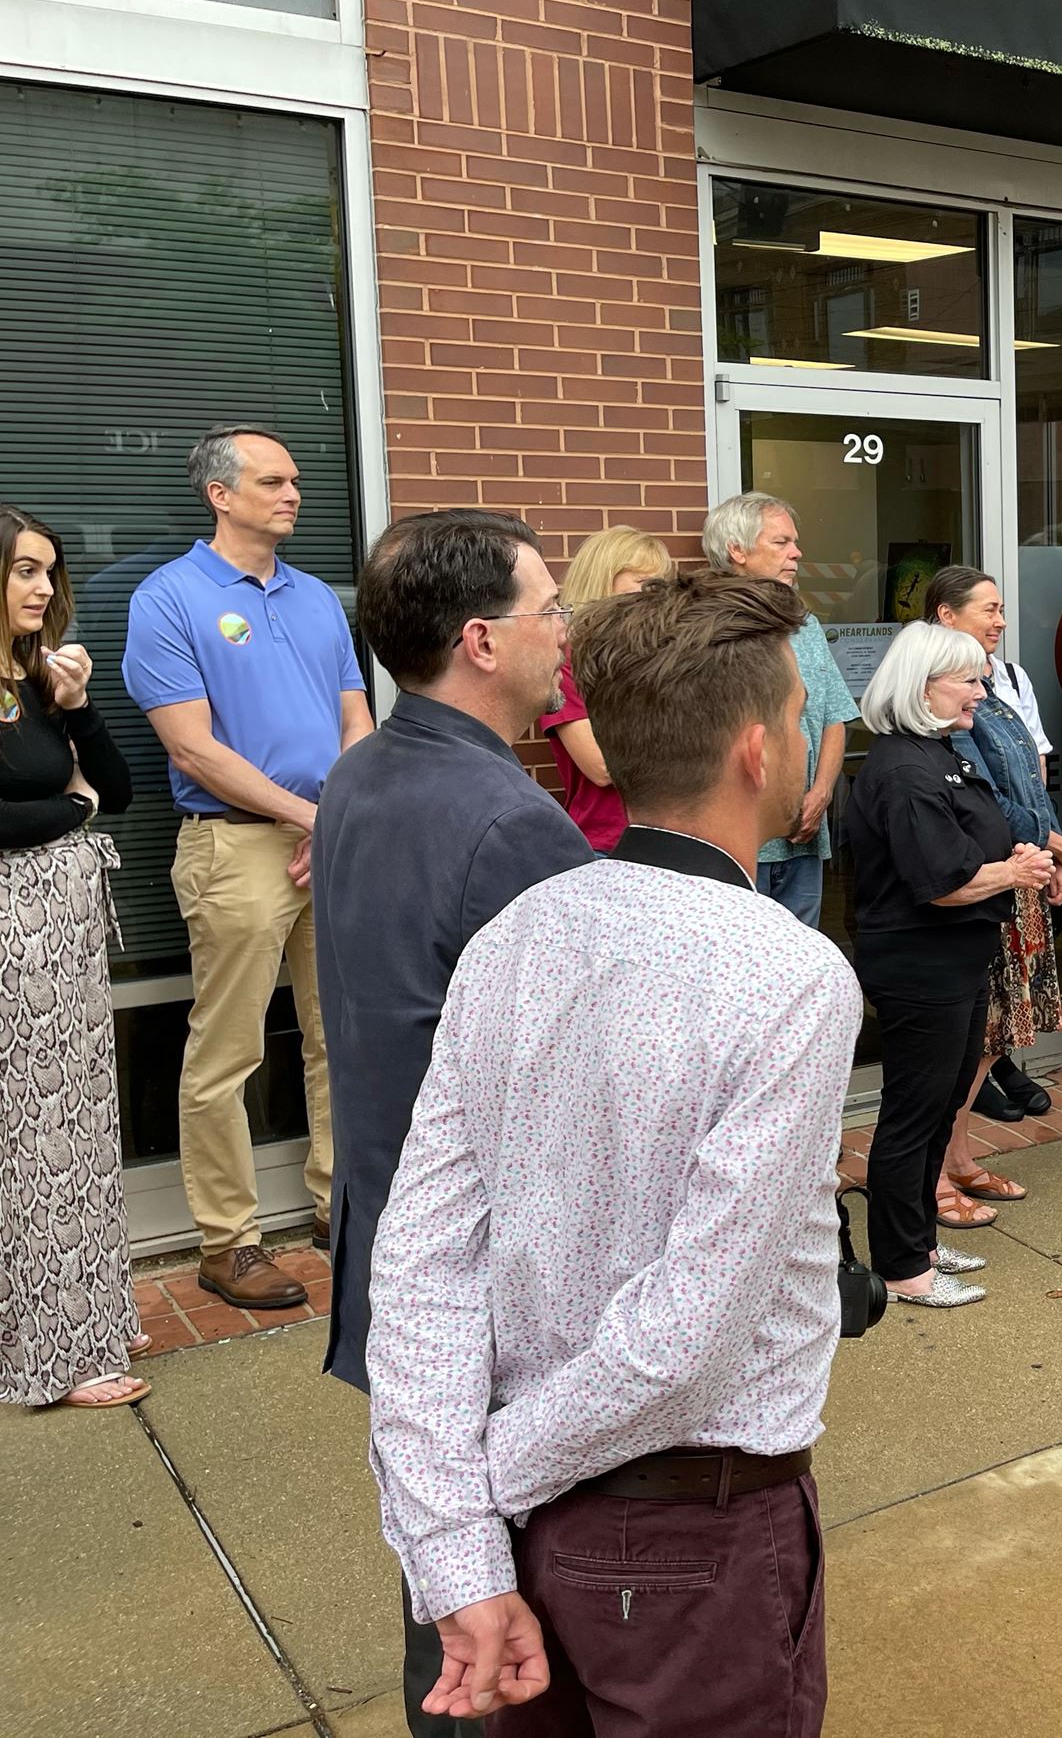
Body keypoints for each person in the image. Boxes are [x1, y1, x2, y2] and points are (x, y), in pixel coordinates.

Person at [368, 568, 863, 1729]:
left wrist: (458, 1532)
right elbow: (683, 1342)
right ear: (756, 751)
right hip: (694, 1539)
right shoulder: (791, 977)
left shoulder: (513, 936)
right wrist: (480, 1493)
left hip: (524, 1523)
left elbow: (421, 1262)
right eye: (798, 716)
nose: (802, 739)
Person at [311, 510, 596, 1738]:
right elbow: (582, 1089)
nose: (564, 632)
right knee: (504, 1619)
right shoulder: (508, 823)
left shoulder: (362, 772)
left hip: (390, 1234)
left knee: (442, 1570)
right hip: (482, 1268)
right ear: (481, 640)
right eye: (550, 609)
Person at [123, 424, 372, 1312]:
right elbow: (192, 749)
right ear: (220, 495)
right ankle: (227, 1242)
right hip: (233, 847)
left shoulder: (315, 598)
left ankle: (339, 1204)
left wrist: (336, 813)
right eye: (272, 480)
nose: (293, 493)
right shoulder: (168, 598)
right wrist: (309, 816)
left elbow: (354, 716)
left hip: (325, 839)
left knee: (339, 1035)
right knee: (227, 1052)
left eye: (295, 479)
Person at [844, 620, 1055, 1307]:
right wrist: (1013, 872)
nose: (980, 692)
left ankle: (921, 1244)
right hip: (920, 964)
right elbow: (942, 881)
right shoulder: (904, 770)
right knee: (914, 1114)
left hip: (957, 959)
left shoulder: (937, 752)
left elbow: (969, 848)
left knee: (939, 1110)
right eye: (967, 680)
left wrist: (1012, 859)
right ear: (922, 686)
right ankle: (902, 1268)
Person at [0, 506, 142, 1411]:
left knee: (78, 1126)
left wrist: (80, 707)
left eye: (50, 571)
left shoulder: (35, 676)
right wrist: (74, 809)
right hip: (14, 939)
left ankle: (90, 1311)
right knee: (35, 1137)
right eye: (24, 569)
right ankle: (50, 1354)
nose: (45, 587)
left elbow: (118, 787)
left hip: (63, 937)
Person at [927, 568, 1062, 1221]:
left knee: (992, 1037)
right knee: (975, 1035)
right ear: (946, 615)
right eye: (988, 609)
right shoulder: (946, 698)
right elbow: (984, 801)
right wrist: (1055, 845)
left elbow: (1031, 783)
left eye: (1001, 609)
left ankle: (959, 1159)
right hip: (989, 878)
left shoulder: (993, 685)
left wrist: (1054, 849)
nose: (1001, 620)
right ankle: (936, 1172)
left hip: (1023, 869)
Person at [702, 494, 858, 926]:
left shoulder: (805, 624)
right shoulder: (707, 627)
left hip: (804, 836)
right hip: (738, 842)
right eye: (781, 542)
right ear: (737, 550)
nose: (797, 553)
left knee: (799, 949)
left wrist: (822, 793)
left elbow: (834, 716)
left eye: (795, 541)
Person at [537, 524, 674, 851]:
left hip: (672, 838)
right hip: (608, 844)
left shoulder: (662, 655)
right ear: (602, 581)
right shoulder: (565, 663)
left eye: (661, 585)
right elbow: (601, 766)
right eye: (644, 583)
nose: (656, 596)